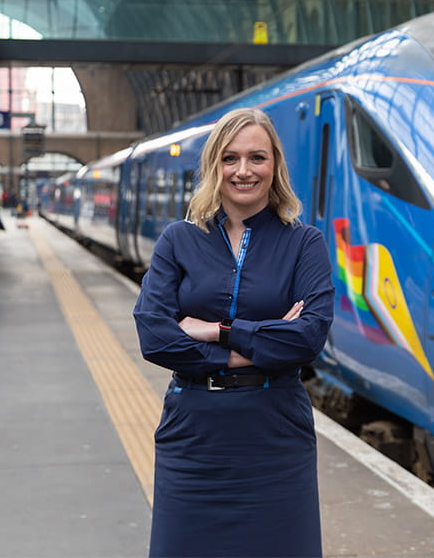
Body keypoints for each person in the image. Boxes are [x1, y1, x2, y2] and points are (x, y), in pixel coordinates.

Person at [133, 107, 334, 558]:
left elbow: (307, 339)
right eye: (230, 158)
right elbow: (155, 336)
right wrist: (260, 343)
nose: (243, 170)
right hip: (194, 436)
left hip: (275, 435)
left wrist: (215, 331)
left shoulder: (305, 243)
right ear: (213, 167)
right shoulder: (177, 240)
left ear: (275, 166)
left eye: (257, 158)